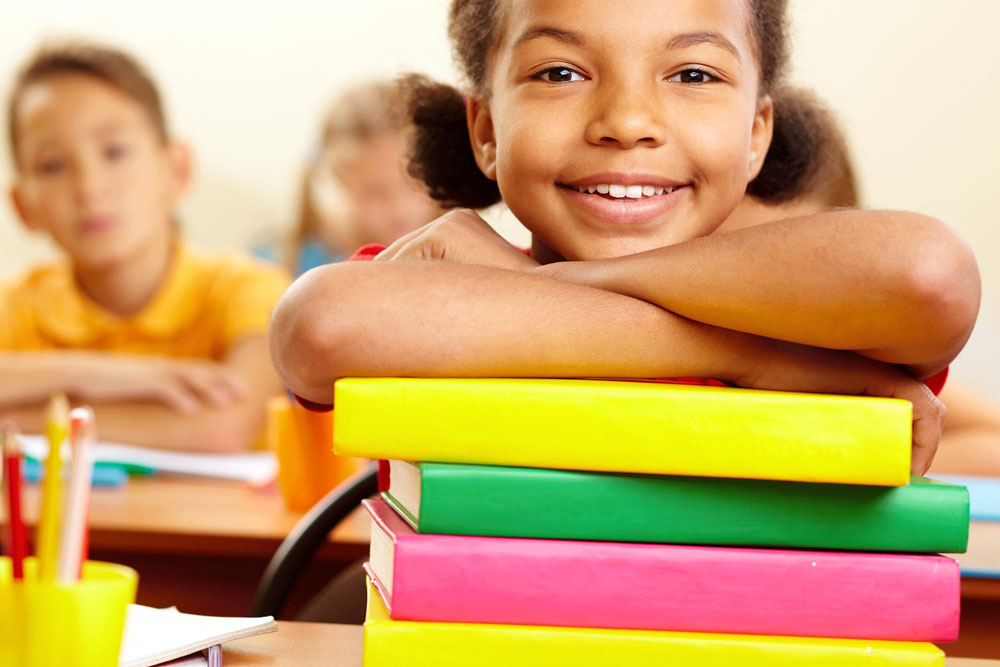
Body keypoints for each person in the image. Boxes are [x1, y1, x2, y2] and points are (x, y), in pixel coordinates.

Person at [269, 0, 980, 474]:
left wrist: (541, 289)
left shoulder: (816, 315)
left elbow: (931, 275)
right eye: (561, 72)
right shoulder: (435, 281)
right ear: (486, 130)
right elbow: (319, 327)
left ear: (755, 134)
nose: (627, 120)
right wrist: (757, 359)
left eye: (694, 73)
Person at [0, 42, 289, 452]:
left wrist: (17, 418)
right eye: (52, 165)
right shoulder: (17, 306)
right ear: (22, 205)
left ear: (176, 169)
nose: (88, 187)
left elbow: (223, 427)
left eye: (114, 152)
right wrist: (103, 375)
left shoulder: (250, 290)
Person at [257, 81, 443, 276]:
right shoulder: (273, 269)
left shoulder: (461, 258)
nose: (400, 207)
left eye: (415, 179)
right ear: (340, 180)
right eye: (374, 191)